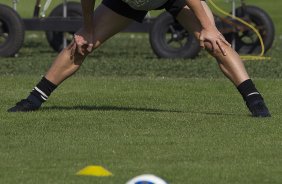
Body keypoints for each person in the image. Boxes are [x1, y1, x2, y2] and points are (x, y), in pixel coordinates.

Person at [8, 0, 271, 117]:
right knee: (80, 45)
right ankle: (32, 100)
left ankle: (255, 101)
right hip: (126, 2)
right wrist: (87, 28)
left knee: (216, 44)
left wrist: (209, 28)